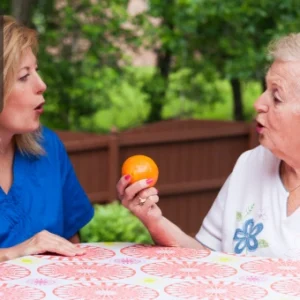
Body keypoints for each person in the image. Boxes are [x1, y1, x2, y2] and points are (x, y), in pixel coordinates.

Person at [117, 32, 300, 258]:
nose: (258, 103)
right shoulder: (250, 163)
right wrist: (152, 219)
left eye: (276, 96)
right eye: (265, 89)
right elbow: (208, 257)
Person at [0, 15, 94, 261]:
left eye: (36, 71)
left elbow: (71, 246)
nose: (41, 85)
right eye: (23, 76)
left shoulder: (48, 147)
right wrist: (13, 253)